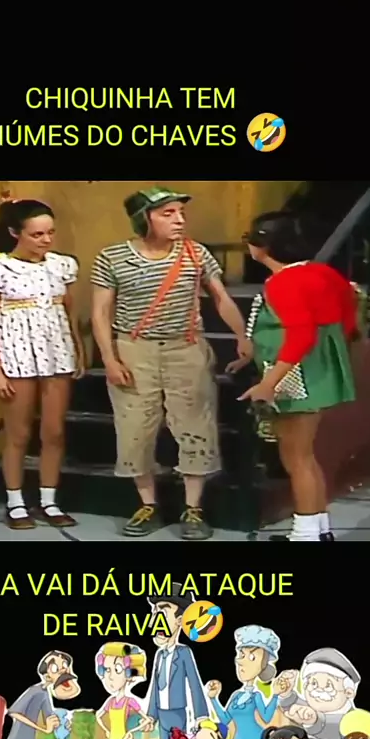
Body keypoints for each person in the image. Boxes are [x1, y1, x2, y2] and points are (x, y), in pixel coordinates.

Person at [90, 185, 252, 540]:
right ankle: (147, 503)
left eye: (181, 213)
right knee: (135, 427)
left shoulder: (195, 253)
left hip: (186, 347)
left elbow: (221, 297)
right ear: (143, 219)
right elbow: (101, 312)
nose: (179, 220)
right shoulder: (113, 257)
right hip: (134, 349)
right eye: (168, 213)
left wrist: (241, 335)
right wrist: (109, 359)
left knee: (195, 425)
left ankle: (193, 507)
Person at [228, 211, 358, 542]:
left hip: (294, 374)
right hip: (316, 371)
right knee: (306, 456)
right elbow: (347, 317)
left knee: (296, 458)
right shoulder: (322, 272)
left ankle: (304, 535)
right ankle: (318, 529)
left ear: (262, 246)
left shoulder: (283, 282)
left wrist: (268, 383)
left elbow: (301, 336)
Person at [0, 198, 86, 530]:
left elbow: (69, 310)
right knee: (18, 433)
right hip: (15, 354)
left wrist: (78, 349)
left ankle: (49, 501)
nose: (46, 240)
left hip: (56, 351)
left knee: (54, 431)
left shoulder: (61, 266)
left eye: (50, 233)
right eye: (37, 234)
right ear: (15, 233)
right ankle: (15, 503)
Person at [143, 582, 210, 739]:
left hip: (177, 714)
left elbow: (195, 685)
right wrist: (151, 715)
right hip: (161, 714)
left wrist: (201, 716)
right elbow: (155, 688)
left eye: (163, 613)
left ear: (180, 620)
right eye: (154, 614)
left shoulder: (184, 653)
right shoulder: (158, 655)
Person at [207, 625, 296, 739]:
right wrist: (213, 698)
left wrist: (275, 695)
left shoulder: (257, 696)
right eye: (241, 654)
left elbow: (267, 717)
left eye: (252, 657)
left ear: (262, 666)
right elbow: (225, 719)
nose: (242, 662)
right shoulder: (236, 695)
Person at [278, 648, 361, 739]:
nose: (318, 690)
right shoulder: (311, 708)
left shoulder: (354, 719)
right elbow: (293, 707)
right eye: (313, 683)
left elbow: (335, 728)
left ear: (349, 692)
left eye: (328, 685)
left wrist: (315, 721)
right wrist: (287, 694)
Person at [95, 642, 152, 739]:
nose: (110, 676)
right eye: (107, 670)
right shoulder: (110, 702)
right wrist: (106, 730)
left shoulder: (129, 701)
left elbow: (146, 719)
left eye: (117, 670)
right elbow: (98, 716)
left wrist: (131, 732)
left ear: (129, 674)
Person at [6, 649, 81, 739]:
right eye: (55, 668)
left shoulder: (45, 693)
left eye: (64, 665)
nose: (62, 670)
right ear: (47, 676)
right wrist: (42, 729)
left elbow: (49, 716)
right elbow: (13, 712)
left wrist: (63, 723)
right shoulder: (35, 690)